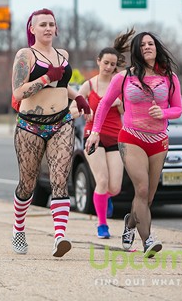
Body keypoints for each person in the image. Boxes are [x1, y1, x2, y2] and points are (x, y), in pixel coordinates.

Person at [85, 31, 182, 257]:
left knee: (147, 198)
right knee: (141, 188)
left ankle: (130, 223)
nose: (147, 47)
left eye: (151, 43)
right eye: (142, 44)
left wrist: (164, 111)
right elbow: (104, 104)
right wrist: (95, 132)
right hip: (131, 137)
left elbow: (177, 108)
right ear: (137, 51)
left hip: (159, 140)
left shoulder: (169, 77)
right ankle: (148, 240)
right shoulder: (124, 77)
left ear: (156, 47)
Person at [10, 8, 91, 257]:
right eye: (42, 24)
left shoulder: (62, 54)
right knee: (28, 183)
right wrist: (46, 78)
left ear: (56, 28)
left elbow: (62, 85)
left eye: (51, 24)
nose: (47, 28)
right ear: (32, 29)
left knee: (60, 179)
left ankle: (59, 237)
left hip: (61, 121)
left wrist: (77, 96)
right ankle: (18, 229)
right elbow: (17, 93)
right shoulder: (25, 55)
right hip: (30, 125)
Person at [74, 29, 132, 239]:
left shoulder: (121, 85)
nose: (108, 67)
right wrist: (85, 111)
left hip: (116, 136)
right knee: (102, 180)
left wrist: (120, 104)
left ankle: (104, 198)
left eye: (112, 64)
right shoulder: (88, 85)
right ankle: (102, 225)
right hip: (93, 137)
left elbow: (128, 111)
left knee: (114, 187)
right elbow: (74, 108)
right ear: (98, 61)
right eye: (105, 62)